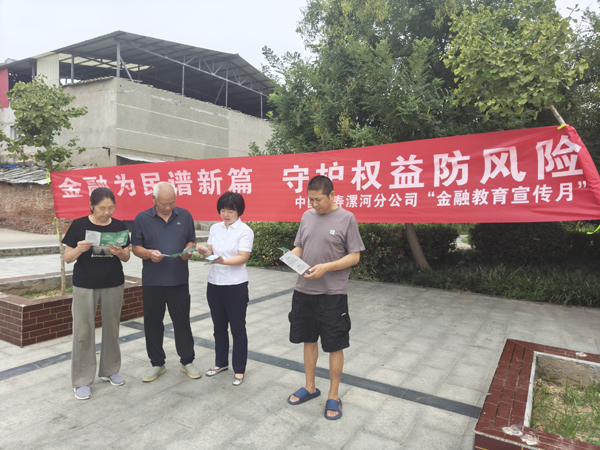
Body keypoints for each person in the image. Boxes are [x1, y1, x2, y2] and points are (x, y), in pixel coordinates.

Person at [286, 175, 365, 420]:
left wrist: (327, 267)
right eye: (310, 199)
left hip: (332, 294)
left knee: (334, 344)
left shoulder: (347, 218)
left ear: (332, 195)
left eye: (318, 199)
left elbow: (354, 256)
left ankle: (333, 394)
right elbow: (300, 245)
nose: (314, 204)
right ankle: (310, 387)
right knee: (308, 339)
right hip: (304, 290)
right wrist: (292, 257)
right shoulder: (307, 216)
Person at [63, 187, 131, 400]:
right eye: (102, 208)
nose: (106, 212)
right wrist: (79, 249)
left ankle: (110, 370)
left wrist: (119, 252)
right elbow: (67, 258)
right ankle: (82, 380)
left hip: (113, 283)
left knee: (112, 327)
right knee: (83, 331)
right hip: (85, 284)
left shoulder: (119, 226)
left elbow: (127, 257)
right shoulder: (79, 225)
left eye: (111, 208)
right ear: (91, 206)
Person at [131, 182, 200, 382]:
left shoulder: (185, 215)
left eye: (172, 203)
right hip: (153, 281)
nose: (168, 207)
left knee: (182, 322)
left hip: (178, 279)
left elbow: (191, 240)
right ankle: (157, 363)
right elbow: (136, 247)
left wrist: (188, 251)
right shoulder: (142, 218)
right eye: (163, 203)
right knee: (153, 323)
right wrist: (148, 254)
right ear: (153, 200)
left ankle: (187, 360)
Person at [198, 192, 254, 386]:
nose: (226, 214)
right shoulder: (215, 228)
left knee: (237, 328)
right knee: (219, 327)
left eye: (230, 210)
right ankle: (220, 363)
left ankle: (239, 370)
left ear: (239, 211)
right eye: (223, 210)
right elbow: (211, 251)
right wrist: (204, 251)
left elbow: (243, 257)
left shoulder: (245, 231)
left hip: (235, 285)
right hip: (214, 284)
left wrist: (221, 260)